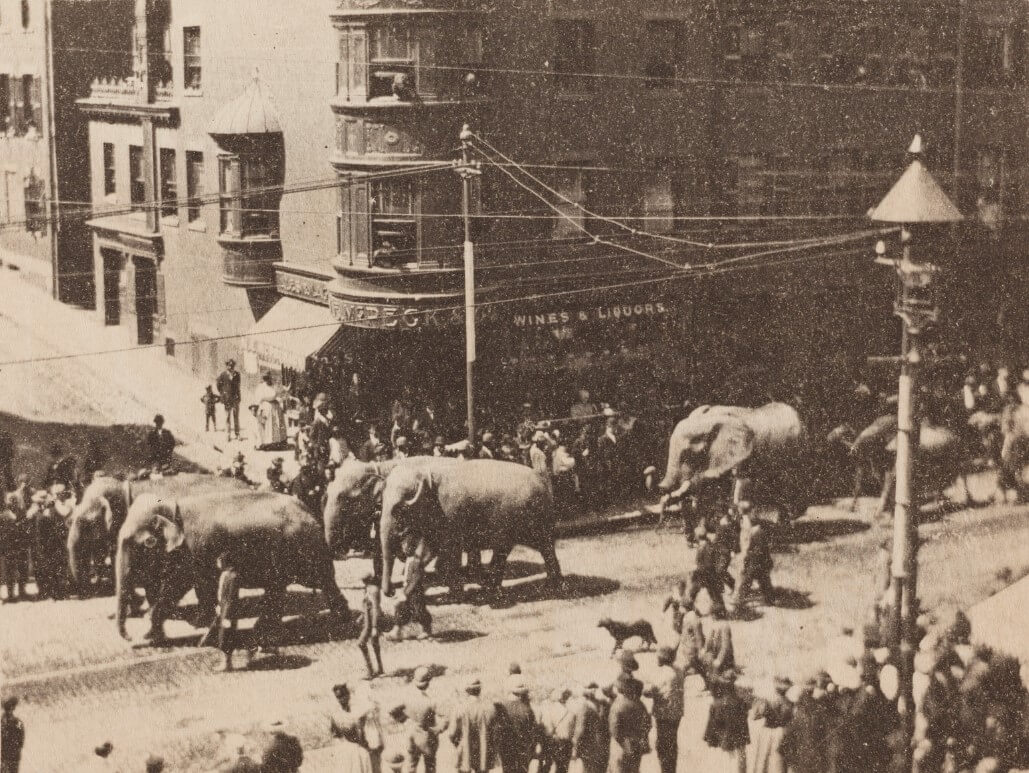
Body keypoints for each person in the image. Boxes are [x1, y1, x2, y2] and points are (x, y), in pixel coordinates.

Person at [206, 553, 252, 672]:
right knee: (225, 636)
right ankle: (228, 663)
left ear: (224, 562)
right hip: (225, 610)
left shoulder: (232, 576)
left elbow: (230, 597)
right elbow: (222, 595)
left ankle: (227, 664)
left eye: (219, 562)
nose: (217, 564)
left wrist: (226, 615)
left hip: (228, 612)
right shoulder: (226, 574)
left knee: (226, 637)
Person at [449, 677, 502, 773]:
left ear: (467, 690)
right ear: (480, 689)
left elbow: (452, 733)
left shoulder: (460, 708)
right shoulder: (490, 708)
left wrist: (457, 743)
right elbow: (496, 734)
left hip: (464, 750)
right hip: (484, 751)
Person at [646, 646, 684, 773]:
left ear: (663, 659)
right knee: (672, 744)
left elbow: (650, 691)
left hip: (664, 714)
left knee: (663, 746)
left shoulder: (663, 673)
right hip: (676, 713)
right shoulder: (678, 670)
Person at [703, 673, 749, 772]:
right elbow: (744, 725)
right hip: (738, 743)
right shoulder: (741, 702)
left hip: (723, 743)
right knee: (737, 765)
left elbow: (711, 729)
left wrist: (713, 740)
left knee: (725, 765)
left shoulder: (717, 704)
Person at [497, 675, 541, 773]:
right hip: (523, 750)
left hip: (506, 749)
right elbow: (533, 732)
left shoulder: (502, 707)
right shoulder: (527, 709)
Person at [607, 674, 651, 773]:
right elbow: (648, 724)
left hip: (621, 748)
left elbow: (614, 729)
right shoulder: (640, 705)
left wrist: (625, 744)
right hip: (636, 747)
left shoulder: (618, 705)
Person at [538, 687, 574, 773]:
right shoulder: (571, 713)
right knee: (562, 769)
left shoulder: (549, 710)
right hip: (565, 744)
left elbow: (547, 728)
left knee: (545, 767)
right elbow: (571, 732)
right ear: (567, 697)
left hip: (550, 741)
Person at [358, 572, 384, 679]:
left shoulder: (373, 590)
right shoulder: (367, 589)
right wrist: (361, 617)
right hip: (367, 620)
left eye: (365, 580)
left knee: (361, 643)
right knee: (375, 644)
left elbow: (375, 608)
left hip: (372, 621)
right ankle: (379, 668)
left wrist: (374, 627)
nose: (363, 582)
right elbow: (366, 606)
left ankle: (370, 670)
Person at [255, 373, 287, 450]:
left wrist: (279, 399)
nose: (269, 380)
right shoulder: (261, 387)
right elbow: (259, 398)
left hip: (275, 406)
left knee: (276, 424)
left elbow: (279, 395)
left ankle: (276, 442)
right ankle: (265, 443)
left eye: (269, 378)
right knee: (265, 425)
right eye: (267, 379)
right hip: (266, 407)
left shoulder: (274, 386)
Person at [217, 359, 243, 441]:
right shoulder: (223, 375)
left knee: (236, 417)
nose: (230, 367)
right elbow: (218, 385)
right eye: (229, 365)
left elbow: (238, 386)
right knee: (227, 417)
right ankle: (228, 435)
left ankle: (237, 434)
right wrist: (223, 394)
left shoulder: (237, 374)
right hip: (227, 399)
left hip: (235, 398)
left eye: (232, 366)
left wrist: (239, 397)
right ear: (226, 365)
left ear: (234, 366)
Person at [1, 696, 24, 773]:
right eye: (7, 709)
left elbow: (21, 739)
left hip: (12, 755)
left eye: (10, 708)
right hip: (6, 755)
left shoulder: (18, 722)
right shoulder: (3, 722)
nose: (8, 711)